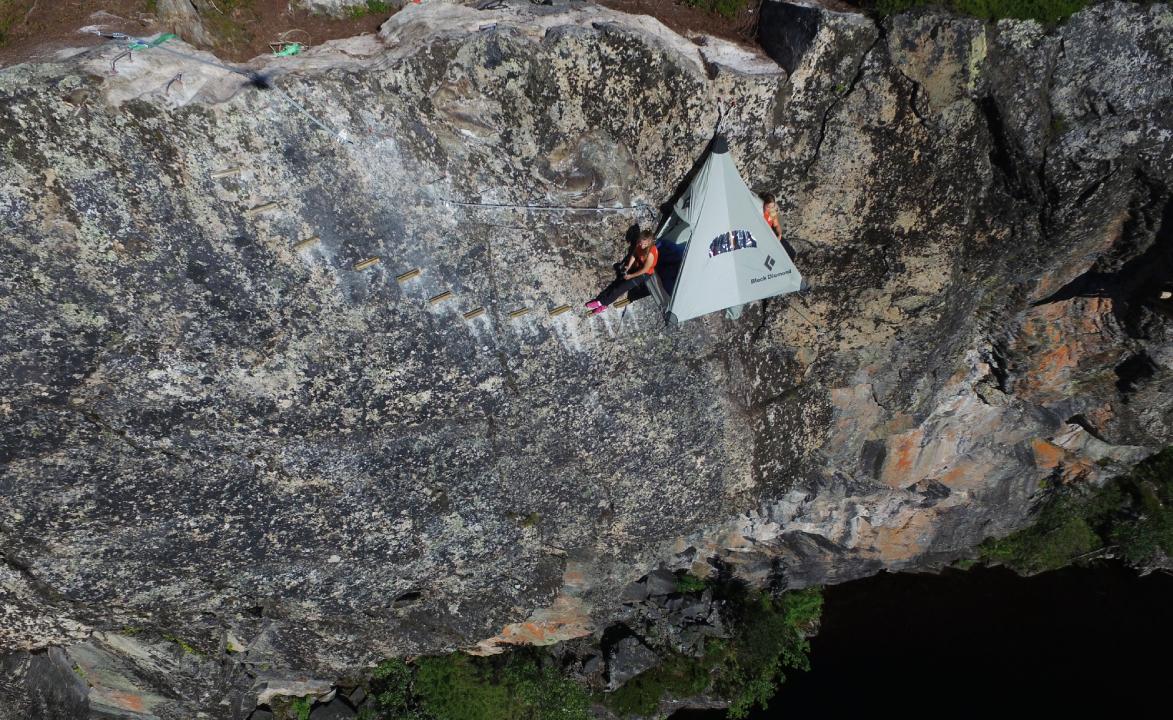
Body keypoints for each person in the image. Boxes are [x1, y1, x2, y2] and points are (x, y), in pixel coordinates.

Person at [585, 229, 658, 315]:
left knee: (621, 288)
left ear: (649, 242)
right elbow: (634, 254)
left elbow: (645, 270)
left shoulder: (651, 253)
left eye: (645, 244)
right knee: (616, 284)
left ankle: (601, 303)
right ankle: (603, 304)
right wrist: (628, 266)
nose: (642, 246)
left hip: (644, 274)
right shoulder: (639, 243)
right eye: (641, 243)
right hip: (638, 267)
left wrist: (631, 276)